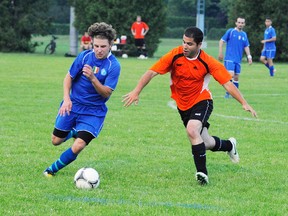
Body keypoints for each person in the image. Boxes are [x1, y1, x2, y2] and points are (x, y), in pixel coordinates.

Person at [122, 26, 257, 185]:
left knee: (192, 130)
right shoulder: (175, 55)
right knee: (205, 142)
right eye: (184, 42)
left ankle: (202, 174)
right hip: (183, 105)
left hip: (202, 100)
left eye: (190, 44)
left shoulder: (208, 62)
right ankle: (229, 145)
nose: (185, 46)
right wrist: (136, 91)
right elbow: (152, 72)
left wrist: (244, 102)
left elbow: (227, 84)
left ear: (199, 45)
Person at [43, 22, 121, 177]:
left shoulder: (114, 65)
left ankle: (51, 170)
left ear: (111, 44)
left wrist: (93, 78)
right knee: (56, 141)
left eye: (103, 47)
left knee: (79, 145)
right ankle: (73, 132)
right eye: (96, 46)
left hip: (93, 112)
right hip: (73, 105)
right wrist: (66, 99)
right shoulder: (84, 56)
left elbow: (106, 93)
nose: (99, 50)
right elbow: (68, 78)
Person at [218, 17, 252, 99]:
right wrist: (220, 52)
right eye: (239, 22)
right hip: (229, 58)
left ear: (244, 24)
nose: (240, 24)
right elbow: (221, 41)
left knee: (236, 77)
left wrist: (249, 56)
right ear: (236, 23)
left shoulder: (244, 34)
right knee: (231, 75)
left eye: (242, 23)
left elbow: (246, 46)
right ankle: (228, 93)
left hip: (238, 59)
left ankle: (235, 94)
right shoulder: (231, 31)